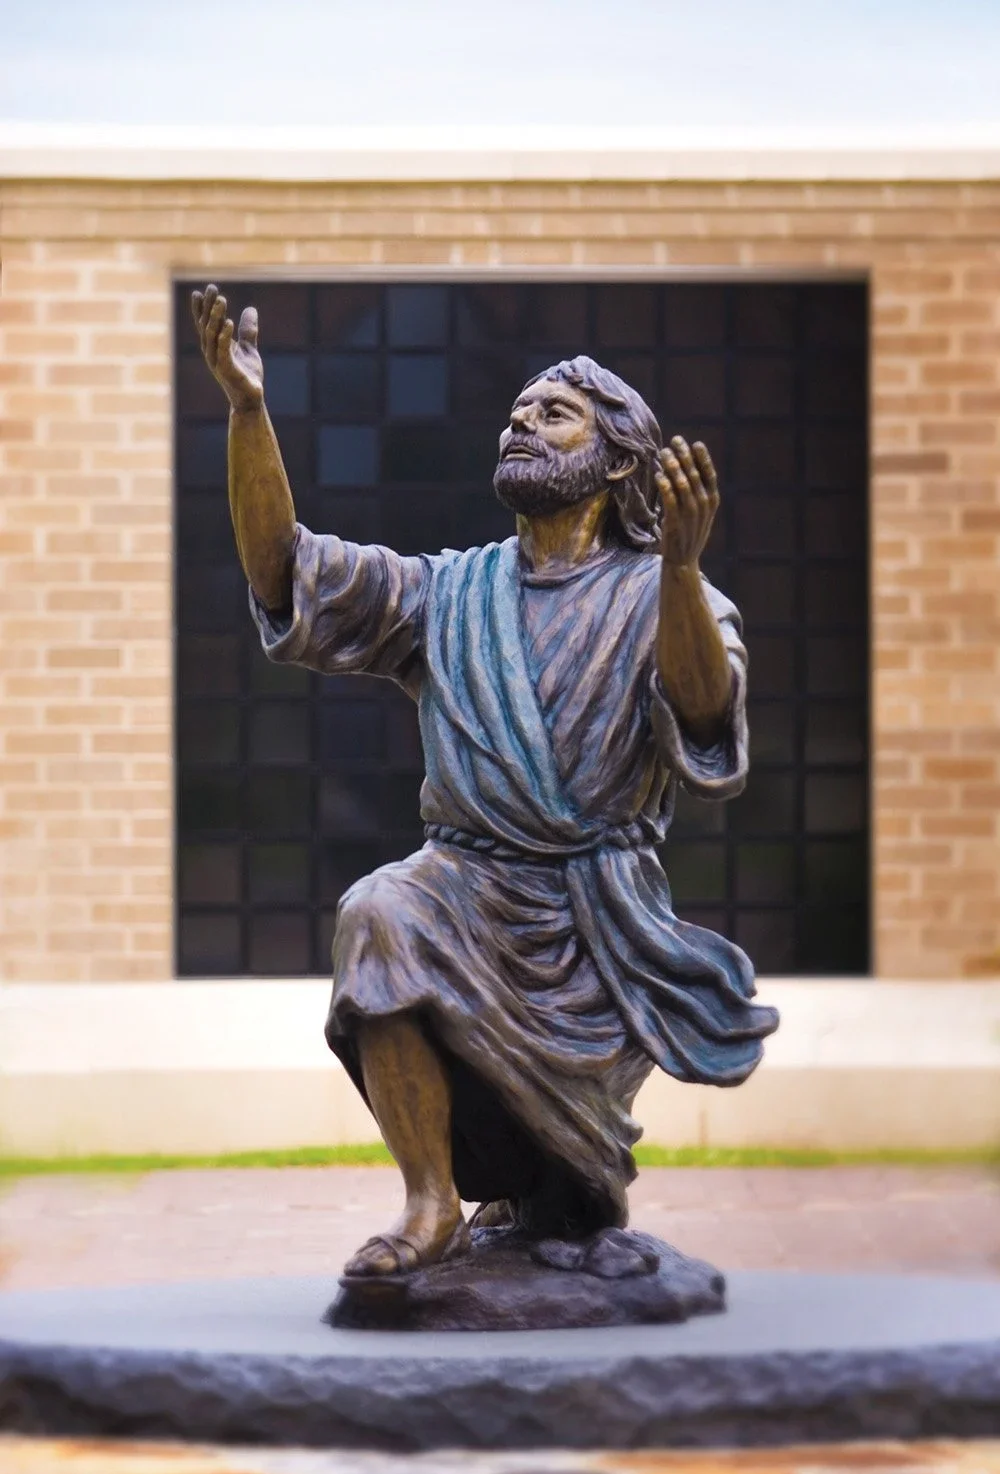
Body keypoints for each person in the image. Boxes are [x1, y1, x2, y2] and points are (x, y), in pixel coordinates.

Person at [192, 285, 778, 1278]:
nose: (520, 423)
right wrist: (249, 413)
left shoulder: (666, 593)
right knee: (380, 908)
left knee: (573, 1201)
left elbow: (705, 714)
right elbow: (283, 573)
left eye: (552, 413)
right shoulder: (446, 592)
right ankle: (429, 1204)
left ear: (618, 458)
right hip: (463, 885)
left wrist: (678, 567)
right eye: (514, 412)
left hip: (598, 915)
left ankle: (564, 1202)